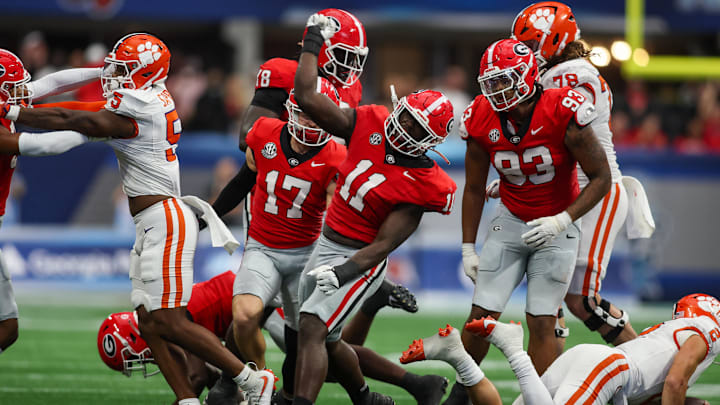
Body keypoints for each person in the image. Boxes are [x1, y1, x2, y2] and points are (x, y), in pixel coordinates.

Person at [1, 33, 274, 405]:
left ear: (145, 74)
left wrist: (13, 111)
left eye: (123, 68)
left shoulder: (138, 106)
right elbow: (67, 104)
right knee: (149, 320)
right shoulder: (145, 97)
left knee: (172, 320)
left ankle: (252, 381)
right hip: (154, 219)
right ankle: (186, 399)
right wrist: (22, 103)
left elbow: (69, 117)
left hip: (166, 218)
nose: (114, 74)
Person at [216, 8, 419, 403]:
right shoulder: (281, 73)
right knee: (259, 308)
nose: (349, 69)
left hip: (324, 195)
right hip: (277, 195)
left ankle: (288, 392)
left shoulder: (351, 90)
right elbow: (249, 138)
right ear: (319, 49)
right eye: (342, 56)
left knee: (311, 319)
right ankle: (234, 380)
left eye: (355, 59)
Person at [290, 15, 458, 405]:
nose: (405, 130)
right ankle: (406, 389)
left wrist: (344, 271)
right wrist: (313, 42)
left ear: (430, 142)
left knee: (314, 326)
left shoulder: (425, 184)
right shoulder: (369, 121)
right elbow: (307, 98)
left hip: (358, 257)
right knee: (321, 337)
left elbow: (383, 245)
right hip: (326, 240)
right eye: (406, 119)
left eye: (417, 131)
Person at [453, 37, 612, 403]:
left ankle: (539, 398)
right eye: (488, 83)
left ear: (526, 78)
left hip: (558, 222)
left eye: (502, 81)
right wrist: (467, 247)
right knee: (481, 314)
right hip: (510, 217)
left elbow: (601, 177)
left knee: (542, 320)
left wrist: (562, 220)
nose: (494, 90)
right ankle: (461, 396)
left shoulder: (563, 108)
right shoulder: (480, 115)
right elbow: (475, 187)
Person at [510, 1, 651, 350]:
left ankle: (648, 374)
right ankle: (550, 386)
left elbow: (555, 134)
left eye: (529, 45)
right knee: (548, 301)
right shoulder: (560, 73)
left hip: (596, 192)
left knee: (581, 299)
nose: (523, 53)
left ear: (553, 40)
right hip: (570, 192)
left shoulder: (569, 75)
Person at [402, 293, 720, 405]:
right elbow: (674, 383)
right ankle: (512, 348)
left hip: (593, 364)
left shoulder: (667, 334)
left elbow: (663, 388)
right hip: (605, 369)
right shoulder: (706, 331)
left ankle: (458, 355)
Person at [0, 48, 104, 354]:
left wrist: (103, 72)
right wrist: (95, 131)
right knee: (6, 328)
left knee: (7, 328)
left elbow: (51, 83)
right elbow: (40, 146)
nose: (21, 92)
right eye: (13, 86)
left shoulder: (5, 101)